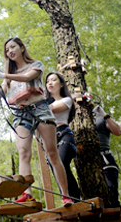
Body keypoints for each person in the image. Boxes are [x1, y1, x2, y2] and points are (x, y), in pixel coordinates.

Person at [0, 37, 74, 206]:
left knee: (52, 153)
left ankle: (65, 196)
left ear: (21, 48)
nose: (10, 51)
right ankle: (27, 194)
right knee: (23, 152)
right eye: (7, 50)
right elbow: (0, 94)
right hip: (21, 113)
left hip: (40, 108)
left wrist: (3, 74)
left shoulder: (36, 65)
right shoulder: (8, 78)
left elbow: (28, 77)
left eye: (13, 47)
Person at [44, 72, 81, 202]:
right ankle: (68, 198)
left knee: (62, 162)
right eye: (47, 81)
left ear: (61, 85)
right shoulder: (44, 103)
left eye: (53, 80)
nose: (50, 83)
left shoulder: (67, 100)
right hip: (50, 138)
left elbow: (50, 109)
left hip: (64, 134)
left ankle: (75, 199)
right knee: (56, 168)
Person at [93, 105, 121, 208]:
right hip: (89, 161)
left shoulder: (101, 120)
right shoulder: (73, 119)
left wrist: (104, 115)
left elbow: (118, 131)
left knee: (112, 195)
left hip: (105, 157)